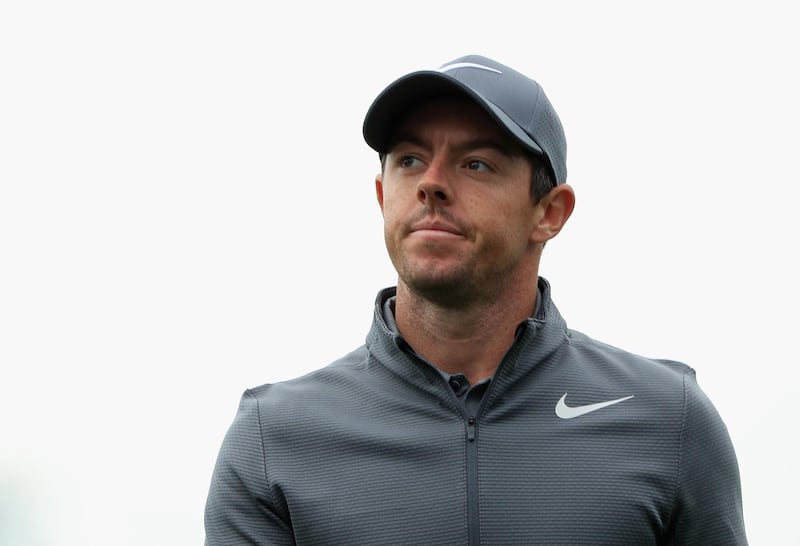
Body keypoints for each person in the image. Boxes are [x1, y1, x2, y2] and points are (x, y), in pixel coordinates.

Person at [204, 54, 747, 545]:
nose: (431, 184)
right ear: (381, 196)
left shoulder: (668, 421)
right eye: (410, 160)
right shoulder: (274, 438)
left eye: (476, 164)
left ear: (550, 213)